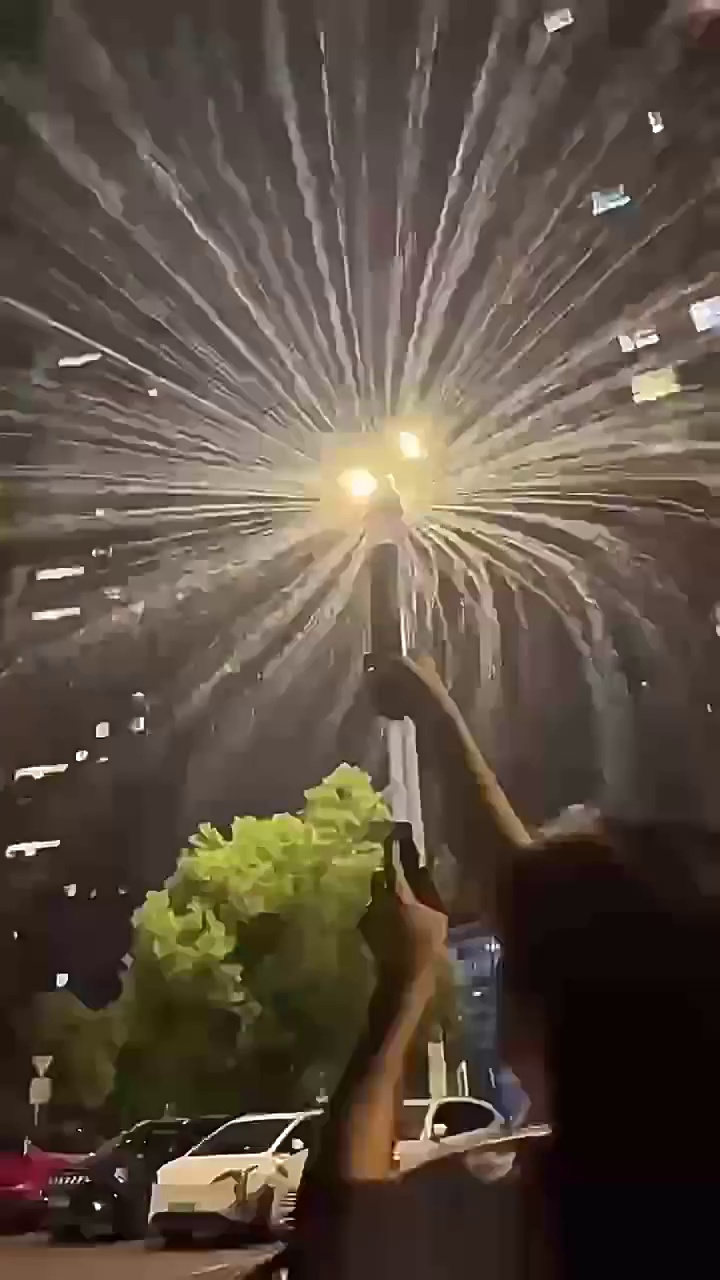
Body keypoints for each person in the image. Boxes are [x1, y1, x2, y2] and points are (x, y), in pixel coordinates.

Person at [259, 655, 720, 1280]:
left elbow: (334, 1241)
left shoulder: (526, 1226)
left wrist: (402, 986)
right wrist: (435, 716)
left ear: (533, 1030)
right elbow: (551, 910)